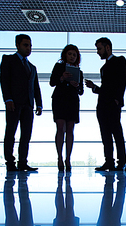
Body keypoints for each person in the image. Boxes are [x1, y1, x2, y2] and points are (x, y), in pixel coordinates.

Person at [0, 34, 43, 172]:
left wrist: (39, 104)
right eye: (25, 45)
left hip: (28, 105)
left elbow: (35, 86)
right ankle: (10, 162)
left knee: (26, 135)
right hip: (14, 103)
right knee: (11, 132)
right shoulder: (8, 60)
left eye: (30, 45)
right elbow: (4, 80)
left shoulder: (32, 67)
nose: (29, 48)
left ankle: (23, 162)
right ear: (17, 45)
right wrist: (8, 99)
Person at [85, 37, 126, 172]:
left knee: (117, 133)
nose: (98, 52)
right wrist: (94, 87)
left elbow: (122, 81)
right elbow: (105, 89)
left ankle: (122, 162)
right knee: (105, 134)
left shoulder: (119, 60)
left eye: (99, 48)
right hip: (102, 105)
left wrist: (118, 99)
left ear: (107, 47)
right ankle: (109, 161)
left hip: (113, 104)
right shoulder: (103, 68)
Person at [49, 44, 84, 172]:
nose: (72, 57)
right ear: (65, 55)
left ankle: (68, 159)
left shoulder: (79, 72)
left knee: (70, 129)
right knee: (60, 127)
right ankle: (59, 158)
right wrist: (62, 78)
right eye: (69, 54)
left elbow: (81, 91)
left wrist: (76, 85)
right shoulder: (59, 67)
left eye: (74, 55)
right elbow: (52, 82)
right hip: (60, 99)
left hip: (72, 100)